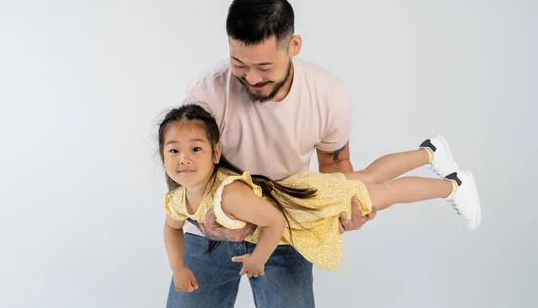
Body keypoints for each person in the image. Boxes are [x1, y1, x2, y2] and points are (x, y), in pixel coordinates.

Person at [164, 0, 361, 308]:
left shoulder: (329, 95)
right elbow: (182, 162)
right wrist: (207, 220)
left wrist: (345, 207)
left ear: (293, 46)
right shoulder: (206, 92)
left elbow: (336, 162)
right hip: (208, 235)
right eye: (238, 63)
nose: (251, 78)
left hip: (285, 231)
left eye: (265, 66)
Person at [159, 103, 481, 287]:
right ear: (163, 157)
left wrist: (259, 258)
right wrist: (178, 267)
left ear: (216, 153)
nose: (184, 158)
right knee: (368, 176)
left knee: (383, 193)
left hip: (308, 207)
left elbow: (273, 221)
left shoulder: (227, 196)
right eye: (174, 150)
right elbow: (172, 228)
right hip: (302, 191)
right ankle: (430, 152)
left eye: (195, 149)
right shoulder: (178, 198)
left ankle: (453, 186)